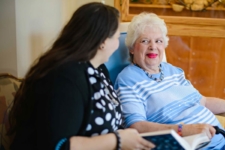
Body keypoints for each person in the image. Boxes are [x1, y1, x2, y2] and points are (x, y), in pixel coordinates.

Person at [7, 3, 155, 150]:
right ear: (103, 41)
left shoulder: (99, 70)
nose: (118, 46)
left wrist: (125, 137)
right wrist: (117, 140)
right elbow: (57, 145)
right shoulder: (64, 78)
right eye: (116, 38)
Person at [114, 12, 225, 150]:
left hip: (222, 139)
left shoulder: (172, 71)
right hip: (190, 145)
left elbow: (203, 101)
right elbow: (137, 126)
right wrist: (184, 130)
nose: (153, 47)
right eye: (145, 41)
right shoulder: (128, 80)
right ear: (132, 48)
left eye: (159, 41)